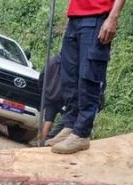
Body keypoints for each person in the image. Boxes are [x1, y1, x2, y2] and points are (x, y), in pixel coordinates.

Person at [49, 0, 125, 154]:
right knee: (69, 76)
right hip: (74, 18)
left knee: (88, 76)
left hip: (96, 18)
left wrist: (113, 17)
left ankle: (81, 133)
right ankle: (70, 125)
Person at [38, 53, 64, 142]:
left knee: (48, 121)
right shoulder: (69, 63)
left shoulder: (51, 61)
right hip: (62, 98)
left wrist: (43, 91)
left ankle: (41, 144)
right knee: (68, 120)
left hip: (50, 96)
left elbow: (41, 76)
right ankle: (49, 141)